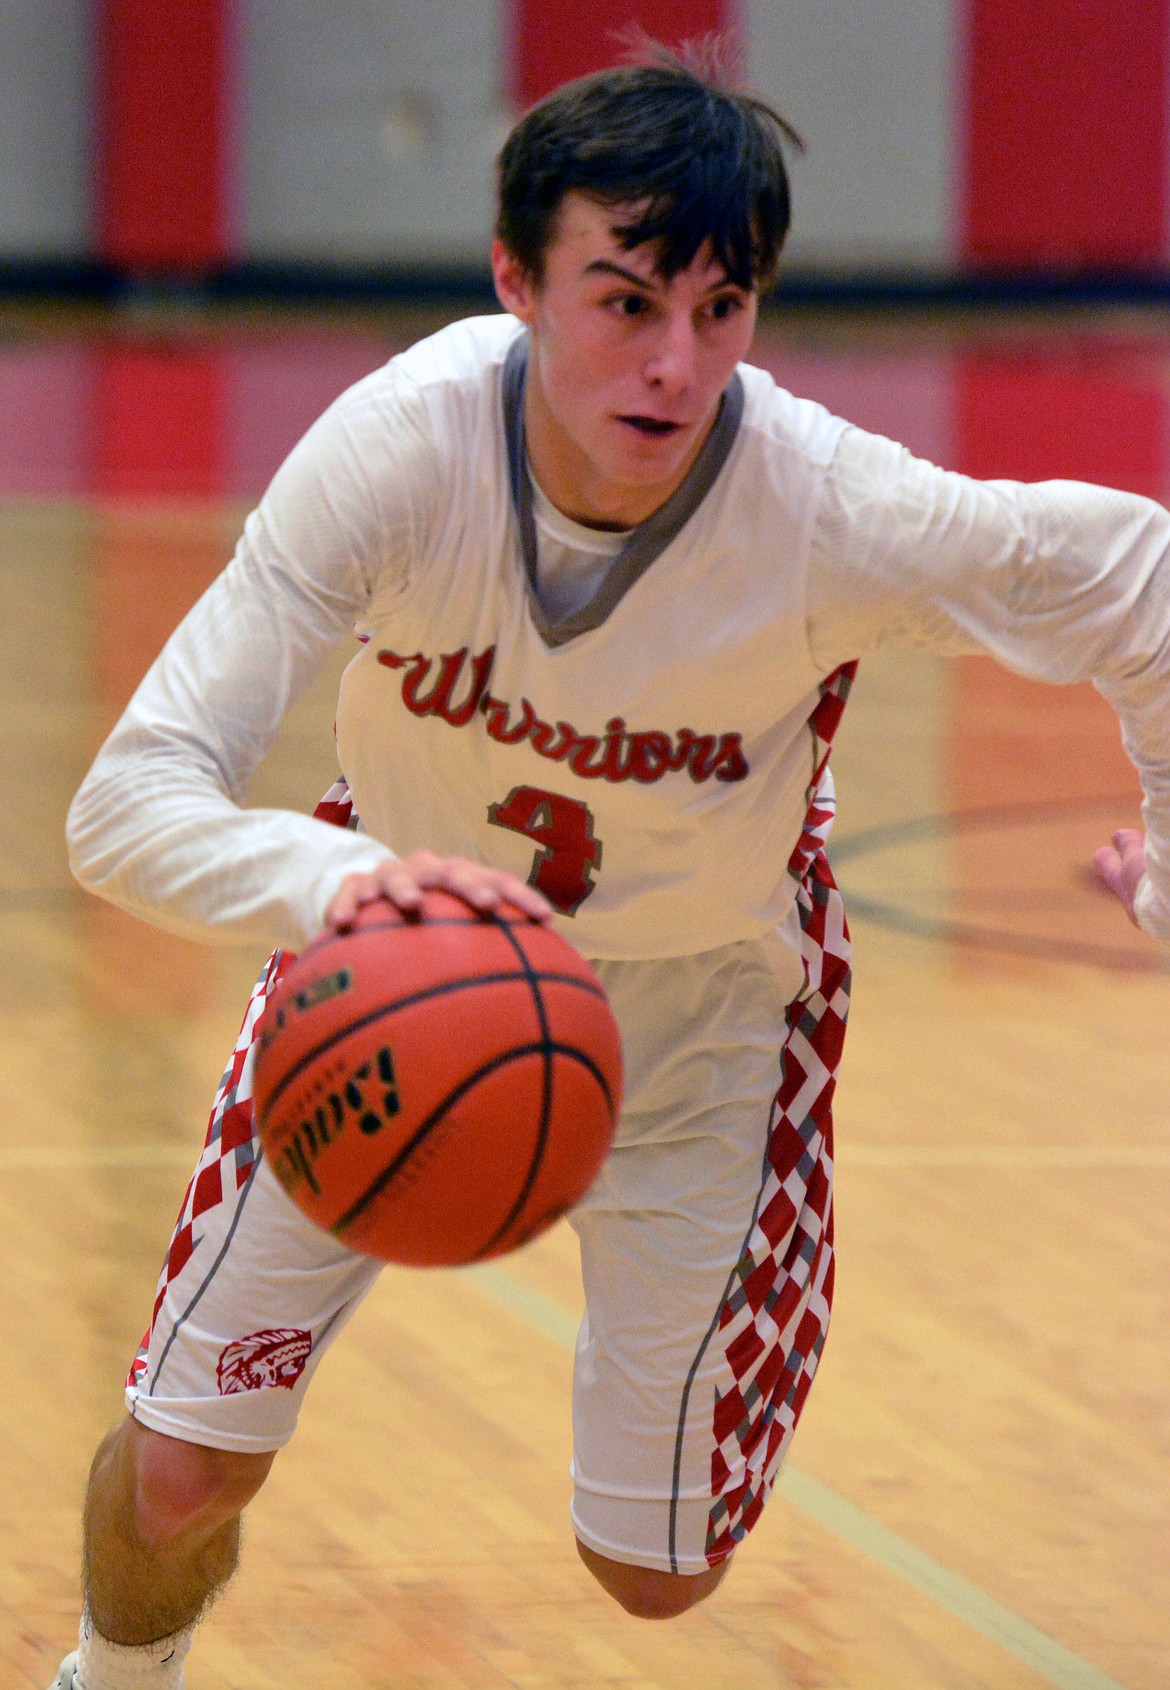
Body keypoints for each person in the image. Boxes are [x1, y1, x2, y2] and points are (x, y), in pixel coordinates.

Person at [49, 45, 1168, 1690]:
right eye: (624, 300)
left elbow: (1136, 573)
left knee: (652, 1574)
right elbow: (125, 800)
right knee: (178, 1463)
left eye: (722, 311)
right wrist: (341, 895)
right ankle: (108, 1679)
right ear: (515, 277)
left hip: (712, 1018)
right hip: (386, 962)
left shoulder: (829, 509)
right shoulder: (399, 452)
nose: (673, 360)